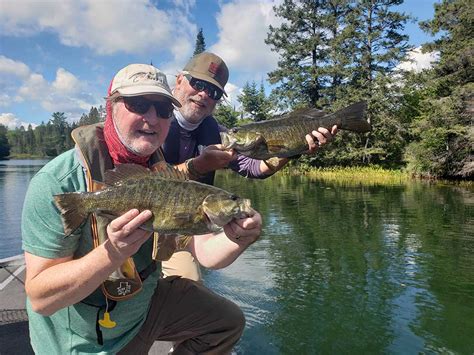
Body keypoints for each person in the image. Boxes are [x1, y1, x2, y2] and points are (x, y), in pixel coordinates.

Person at [21, 63, 263, 354]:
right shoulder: (57, 183)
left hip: (143, 304)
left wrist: (238, 238)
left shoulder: (164, 174)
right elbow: (42, 300)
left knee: (226, 322)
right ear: (110, 107)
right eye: (138, 104)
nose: (152, 118)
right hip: (87, 341)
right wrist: (114, 253)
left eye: (163, 110)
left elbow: (206, 254)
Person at [161, 52, 337, 280]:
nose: (204, 94)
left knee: (191, 285)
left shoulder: (219, 134)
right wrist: (197, 166)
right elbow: (139, 181)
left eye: (213, 91)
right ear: (179, 80)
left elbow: (258, 168)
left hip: (184, 228)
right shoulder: (153, 121)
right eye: (198, 84)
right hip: (141, 217)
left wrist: (296, 148)